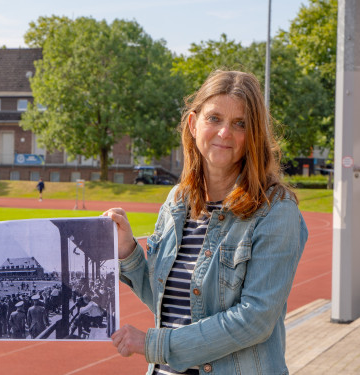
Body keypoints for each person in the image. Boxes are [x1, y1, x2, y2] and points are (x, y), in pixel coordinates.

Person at [104, 70, 308, 374]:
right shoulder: (177, 200)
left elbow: (254, 320)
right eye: (214, 118)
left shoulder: (275, 211)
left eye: (240, 124)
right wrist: (127, 252)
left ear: (253, 136)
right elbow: (165, 299)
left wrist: (154, 345)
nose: (225, 133)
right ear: (193, 124)